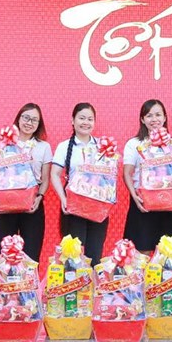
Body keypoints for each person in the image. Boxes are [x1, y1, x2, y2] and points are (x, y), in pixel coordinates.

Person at [50, 103, 109, 265]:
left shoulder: (103, 146)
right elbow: (54, 174)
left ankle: (92, 282)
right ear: (73, 120)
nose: (86, 122)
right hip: (73, 207)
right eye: (82, 118)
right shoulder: (64, 146)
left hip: (98, 206)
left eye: (90, 119)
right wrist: (63, 199)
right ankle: (73, 282)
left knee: (94, 255)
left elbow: (109, 175)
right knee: (73, 256)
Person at [122, 99, 172, 253]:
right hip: (143, 202)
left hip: (169, 202)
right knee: (141, 252)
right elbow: (127, 173)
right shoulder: (134, 144)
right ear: (142, 119)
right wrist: (135, 197)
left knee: (166, 253)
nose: (154, 119)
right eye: (149, 115)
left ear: (165, 118)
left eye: (158, 115)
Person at [0, 103, 52, 262]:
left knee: (31, 258)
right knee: (5, 257)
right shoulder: (4, 144)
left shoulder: (43, 147)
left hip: (32, 206)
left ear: (39, 124)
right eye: (26, 117)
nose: (29, 122)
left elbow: (45, 179)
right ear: (18, 119)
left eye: (34, 120)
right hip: (6, 205)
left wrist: (40, 197)